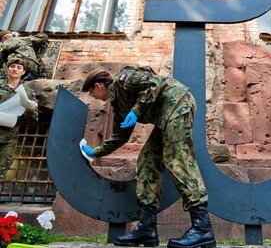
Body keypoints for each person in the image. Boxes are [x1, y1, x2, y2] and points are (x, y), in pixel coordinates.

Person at [81, 66, 216, 248]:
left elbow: (155, 82)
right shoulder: (117, 103)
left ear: (98, 86)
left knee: (177, 159)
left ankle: (202, 229)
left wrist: (136, 110)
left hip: (177, 102)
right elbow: (120, 135)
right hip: (165, 116)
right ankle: (147, 229)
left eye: (92, 93)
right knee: (147, 161)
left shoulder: (125, 78)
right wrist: (95, 152)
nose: (95, 98)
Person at [0, 58, 38, 180]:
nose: (15, 69)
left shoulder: (27, 92)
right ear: (7, 69)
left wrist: (29, 109)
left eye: (18, 67)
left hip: (8, 138)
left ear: (23, 72)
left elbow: (33, 118)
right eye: (12, 66)